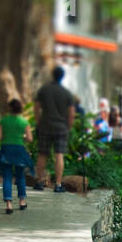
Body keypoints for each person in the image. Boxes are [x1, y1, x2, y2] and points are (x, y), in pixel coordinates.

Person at [33, 64, 75, 192]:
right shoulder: (66, 93)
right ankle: (57, 184)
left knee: (42, 154)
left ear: (53, 75)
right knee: (59, 155)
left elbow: (36, 108)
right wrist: (68, 127)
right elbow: (72, 113)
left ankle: (39, 182)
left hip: (45, 125)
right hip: (61, 127)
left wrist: (39, 122)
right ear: (62, 77)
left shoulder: (44, 90)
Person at [0, 97, 34, 213]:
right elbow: (30, 138)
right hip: (19, 150)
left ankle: (8, 204)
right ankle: (22, 202)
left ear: (10, 109)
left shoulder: (3, 121)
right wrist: (21, 139)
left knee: (7, 177)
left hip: (6, 149)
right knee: (20, 176)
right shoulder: (24, 122)